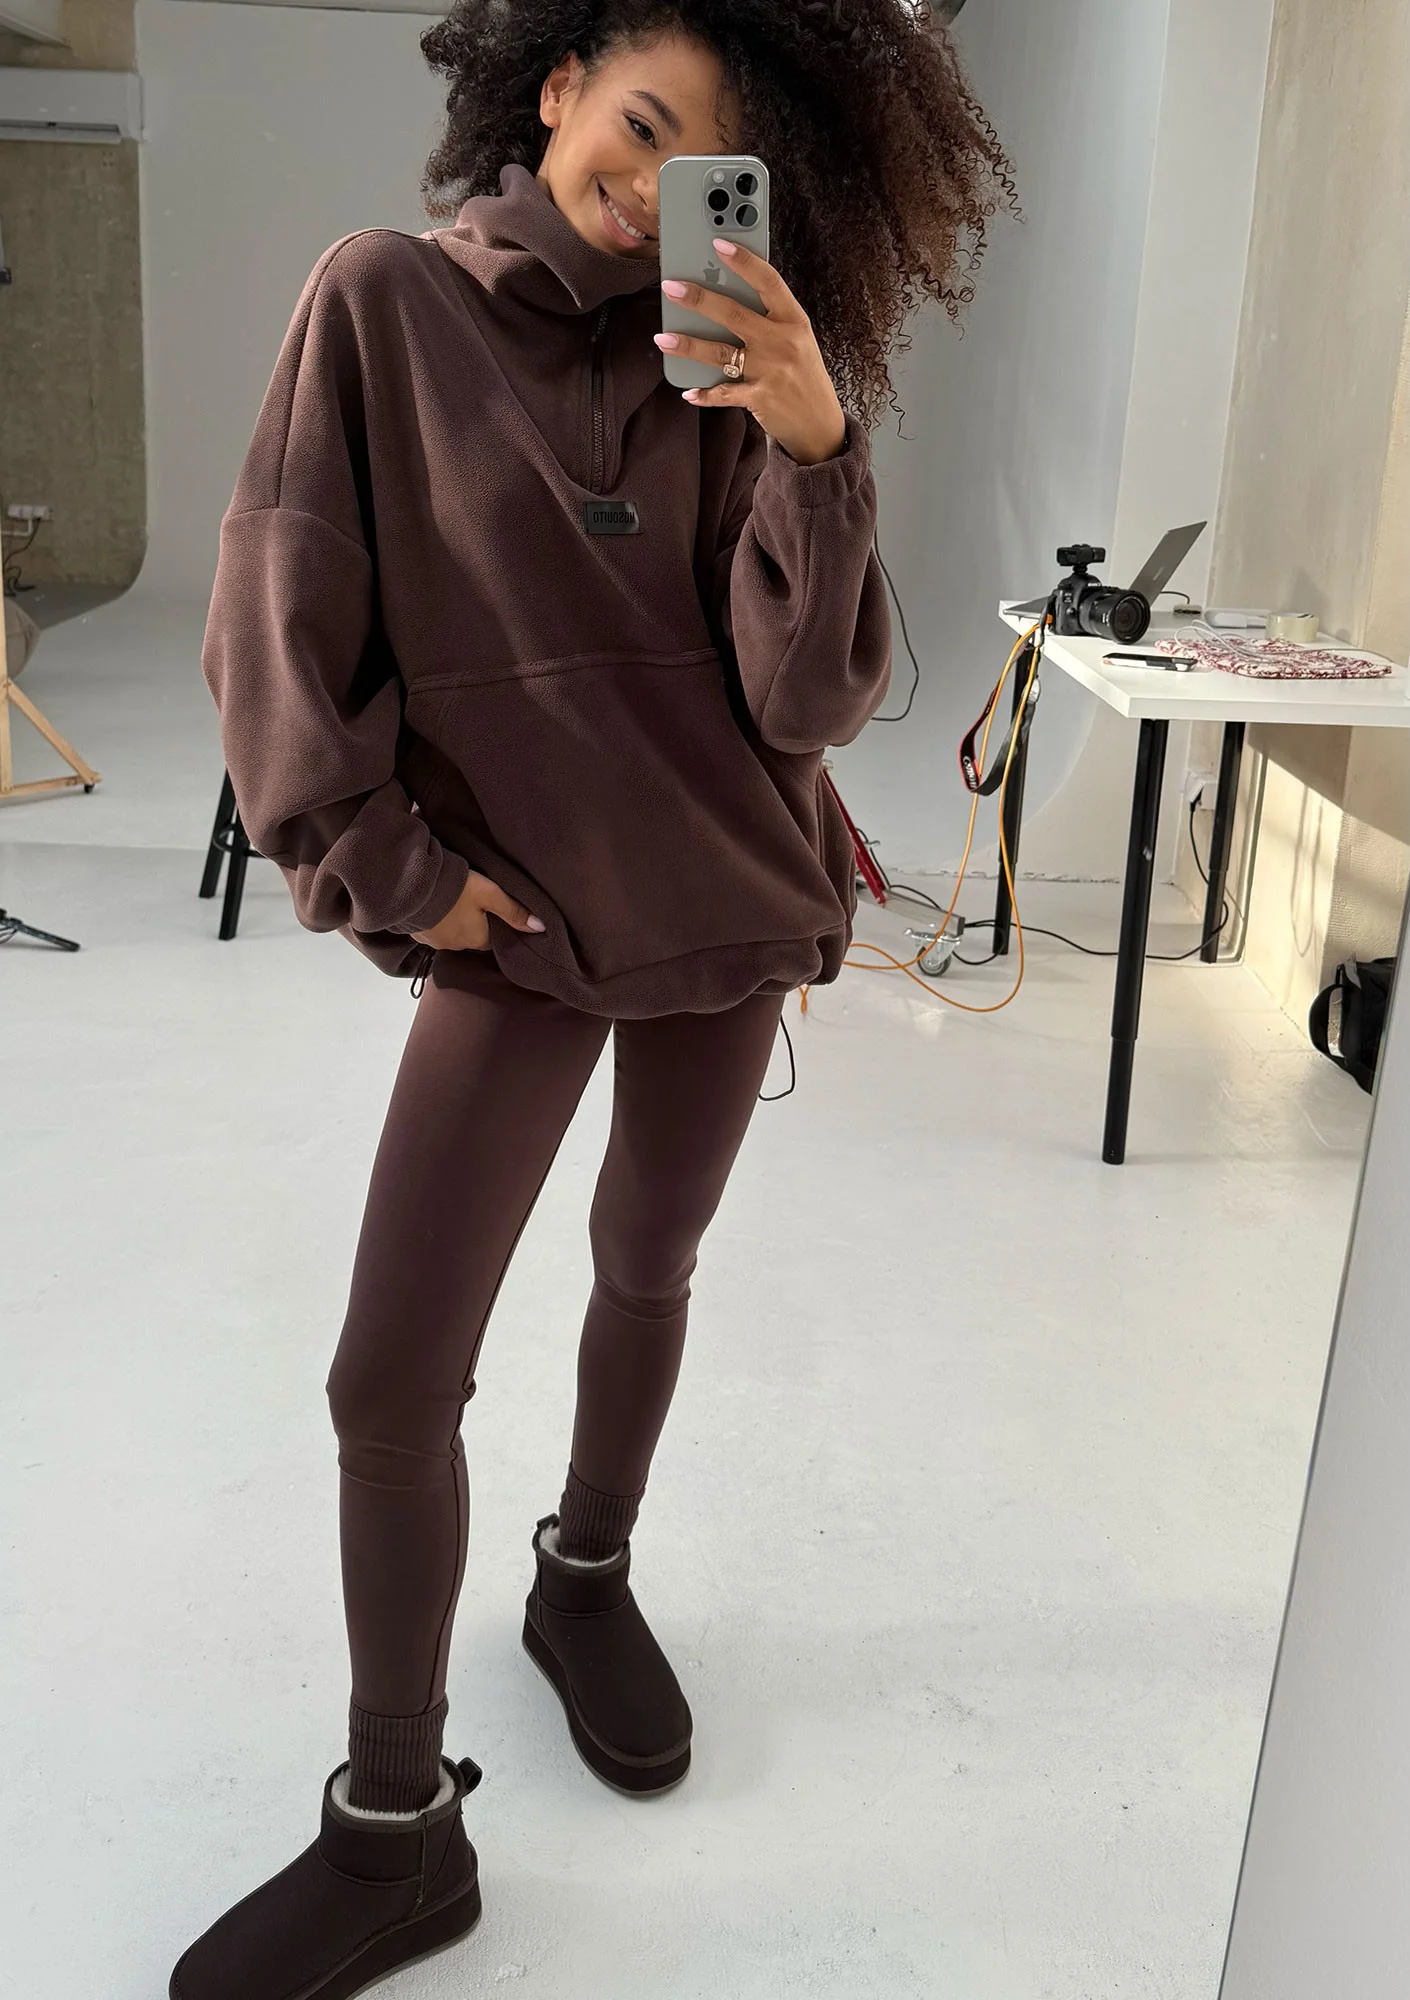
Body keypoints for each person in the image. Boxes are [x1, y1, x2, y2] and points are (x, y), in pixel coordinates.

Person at [170, 4, 1015, 1994]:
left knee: (649, 1259)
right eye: (635, 124)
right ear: (551, 87)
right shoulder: (380, 304)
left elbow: (805, 704)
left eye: (703, 163)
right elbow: (277, 613)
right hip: (518, 923)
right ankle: (397, 1830)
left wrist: (815, 447)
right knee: (392, 1379)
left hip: (722, 899)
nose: (649, 190)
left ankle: (584, 1575)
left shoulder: (728, 354)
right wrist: (393, 870)